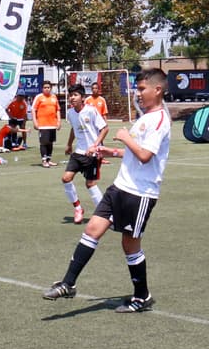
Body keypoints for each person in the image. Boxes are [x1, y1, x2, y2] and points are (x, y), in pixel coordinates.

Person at [42, 68, 171, 314]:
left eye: (142, 89)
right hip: (120, 187)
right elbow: (136, 152)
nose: (138, 93)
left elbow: (145, 156)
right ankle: (68, 283)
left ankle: (142, 296)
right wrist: (112, 152)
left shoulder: (160, 119)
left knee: (129, 245)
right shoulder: (145, 117)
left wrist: (123, 137)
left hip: (140, 192)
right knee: (92, 230)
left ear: (158, 89)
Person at [60, 83, 110, 224]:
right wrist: (69, 144)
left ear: (83, 98)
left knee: (90, 184)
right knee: (66, 178)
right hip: (78, 152)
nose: (72, 98)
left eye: (75, 95)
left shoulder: (91, 111)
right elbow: (74, 128)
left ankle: (103, 214)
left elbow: (105, 129)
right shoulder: (70, 113)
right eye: (71, 95)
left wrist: (95, 146)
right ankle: (78, 208)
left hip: (92, 154)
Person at [33, 80, 61, 168]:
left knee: (50, 142)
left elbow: (58, 110)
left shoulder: (54, 97)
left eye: (48, 87)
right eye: (45, 87)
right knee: (44, 143)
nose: (47, 89)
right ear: (42, 88)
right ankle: (44, 160)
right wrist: (35, 121)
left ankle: (49, 159)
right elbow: (34, 110)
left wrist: (59, 121)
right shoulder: (39, 97)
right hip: (42, 124)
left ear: (51, 88)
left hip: (52, 124)